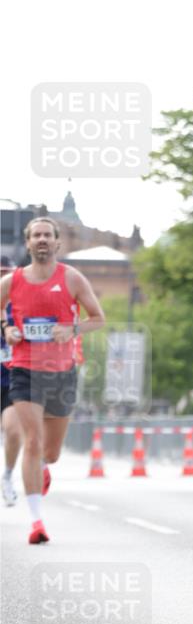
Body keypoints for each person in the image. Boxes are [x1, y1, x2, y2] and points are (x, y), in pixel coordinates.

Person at [0, 218, 105, 544]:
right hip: (25, 370)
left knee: (51, 451)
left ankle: (45, 466)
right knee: (31, 439)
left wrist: (72, 329)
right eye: (36, 235)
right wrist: (7, 329)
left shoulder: (71, 278)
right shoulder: (11, 281)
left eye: (48, 235)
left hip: (62, 373)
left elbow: (98, 319)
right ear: (28, 243)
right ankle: (36, 521)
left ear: (57, 243)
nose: (42, 240)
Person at [1, 257, 21, 507]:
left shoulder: (20, 306)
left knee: (14, 431)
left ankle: (7, 475)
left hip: (11, 380)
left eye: (7, 273)